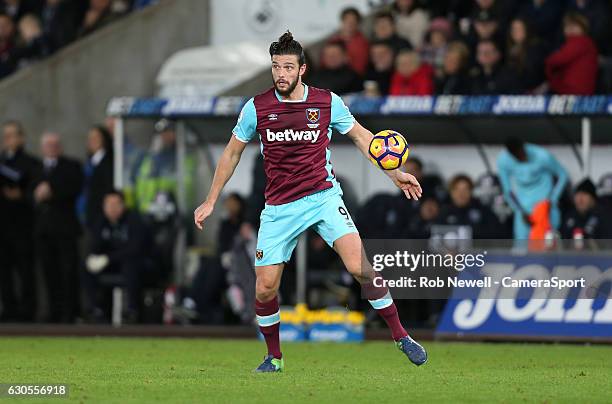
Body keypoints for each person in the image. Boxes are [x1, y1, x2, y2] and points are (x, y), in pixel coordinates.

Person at [193, 31, 427, 372]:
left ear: (302, 69)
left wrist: (395, 173)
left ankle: (401, 336)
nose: (281, 74)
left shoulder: (327, 102)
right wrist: (211, 199)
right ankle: (274, 357)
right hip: (279, 208)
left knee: (360, 268)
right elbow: (231, 155)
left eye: (288, 67)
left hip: (323, 198)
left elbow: (364, 138)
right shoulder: (256, 107)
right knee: (264, 289)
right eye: (276, 67)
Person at [34, 132, 83, 323]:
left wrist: (51, 191)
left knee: (68, 272)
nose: (52, 149)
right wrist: (36, 195)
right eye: (48, 145)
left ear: (60, 147)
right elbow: (28, 192)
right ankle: (53, 311)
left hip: (65, 229)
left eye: (55, 145)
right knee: (48, 272)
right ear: (42, 148)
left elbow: (74, 187)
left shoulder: (71, 166)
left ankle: (71, 312)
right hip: (43, 230)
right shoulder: (36, 168)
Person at [82, 190, 152, 323]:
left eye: (115, 204)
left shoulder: (134, 220)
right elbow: (95, 246)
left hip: (136, 264)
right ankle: (94, 309)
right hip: (111, 264)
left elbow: (135, 249)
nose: (112, 208)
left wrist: (108, 258)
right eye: (108, 204)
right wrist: (95, 258)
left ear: (123, 205)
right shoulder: (101, 222)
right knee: (86, 265)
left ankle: (132, 310)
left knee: (130, 265)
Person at [0, 120, 41, 322]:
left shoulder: (31, 163)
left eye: (12, 135)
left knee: (25, 271)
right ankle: (9, 310)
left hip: (23, 226)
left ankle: (28, 312)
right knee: (4, 272)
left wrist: (21, 195)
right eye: (5, 135)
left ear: (21, 138)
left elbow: (35, 192)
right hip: (3, 226)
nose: (8, 139)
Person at [497, 137, 568, 240]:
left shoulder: (543, 156)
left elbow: (563, 175)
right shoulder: (503, 160)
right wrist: (519, 211)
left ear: (524, 147)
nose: (521, 158)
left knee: (548, 249)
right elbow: (507, 190)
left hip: (546, 209)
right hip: (523, 213)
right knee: (521, 251)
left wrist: (552, 200)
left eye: (521, 153)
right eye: (517, 157)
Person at [545, 13, 598, 95]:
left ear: (583, 28)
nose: (570, 28)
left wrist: (548, 61)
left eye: (574, 26)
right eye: (567, 26)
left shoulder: (581, 41)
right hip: (571, 90)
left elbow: (558, 59)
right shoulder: (574, 43)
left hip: (575, 92)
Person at [437, 174, 501, 239]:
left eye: (465, 189)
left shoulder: (482, 210)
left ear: (471, 191)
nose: (461, 194)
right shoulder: (444, 212)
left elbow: (496, 233)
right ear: (451, 192)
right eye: (457, 189)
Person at [80, 125, 114, 229]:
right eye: (90, 138)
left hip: (101, 213)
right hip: (88, 211)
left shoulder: (109, 162)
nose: (92, 141)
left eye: (96, 138)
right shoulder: (89, 162)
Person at [505, 17, 547, 93]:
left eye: (519, 29)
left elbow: (534, 74)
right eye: (513, 29)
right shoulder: (510, 50)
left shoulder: (536, 48)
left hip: (535, 93)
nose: (515, 32)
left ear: (527, 29)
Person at [327, 7, 369, 76]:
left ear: (358, 23)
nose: (349, 24)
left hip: (351, 78)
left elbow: (360, 69)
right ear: (342, 22)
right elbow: (324, 63)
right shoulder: (333, 40)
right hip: (330, 76)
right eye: (347, 20)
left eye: (353, 21)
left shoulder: (362, 43)